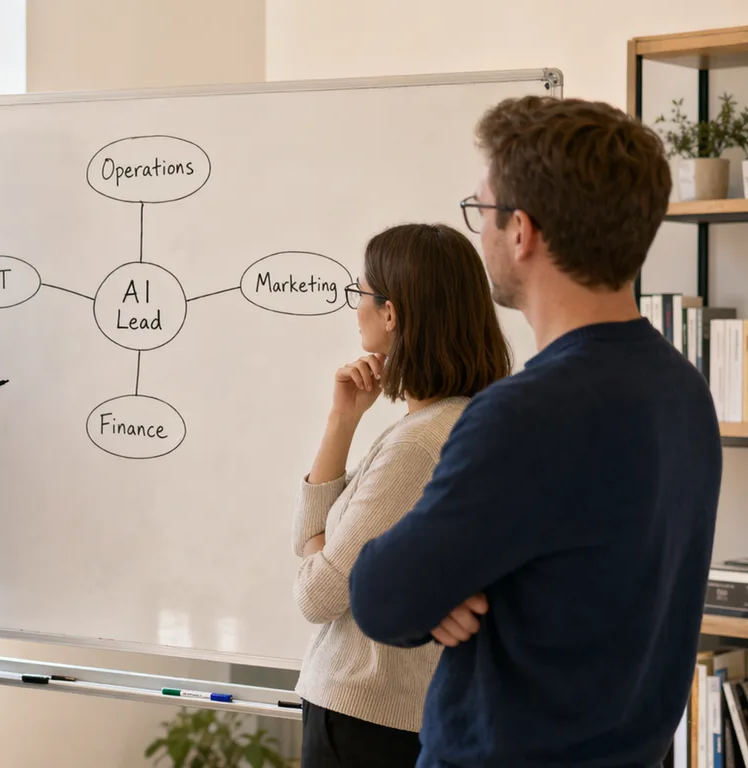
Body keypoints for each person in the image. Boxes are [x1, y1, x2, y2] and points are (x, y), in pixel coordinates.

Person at [349, 96, 721, 766]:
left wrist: (438, 591)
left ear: (521, 231)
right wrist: (444, 588)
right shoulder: (685, 392)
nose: (480, 230)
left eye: (482, 210)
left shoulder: (523, 415)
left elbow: (380, 597)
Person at [292, 223, 510, 767]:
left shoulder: (417, 446)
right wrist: (342, 420)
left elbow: (317, 596)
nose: (355, 307)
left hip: (363, 720)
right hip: (388, 722)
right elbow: (314, 545)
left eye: (360, 292)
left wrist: (321, 553)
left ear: (390, 313)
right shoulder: (458, 422)